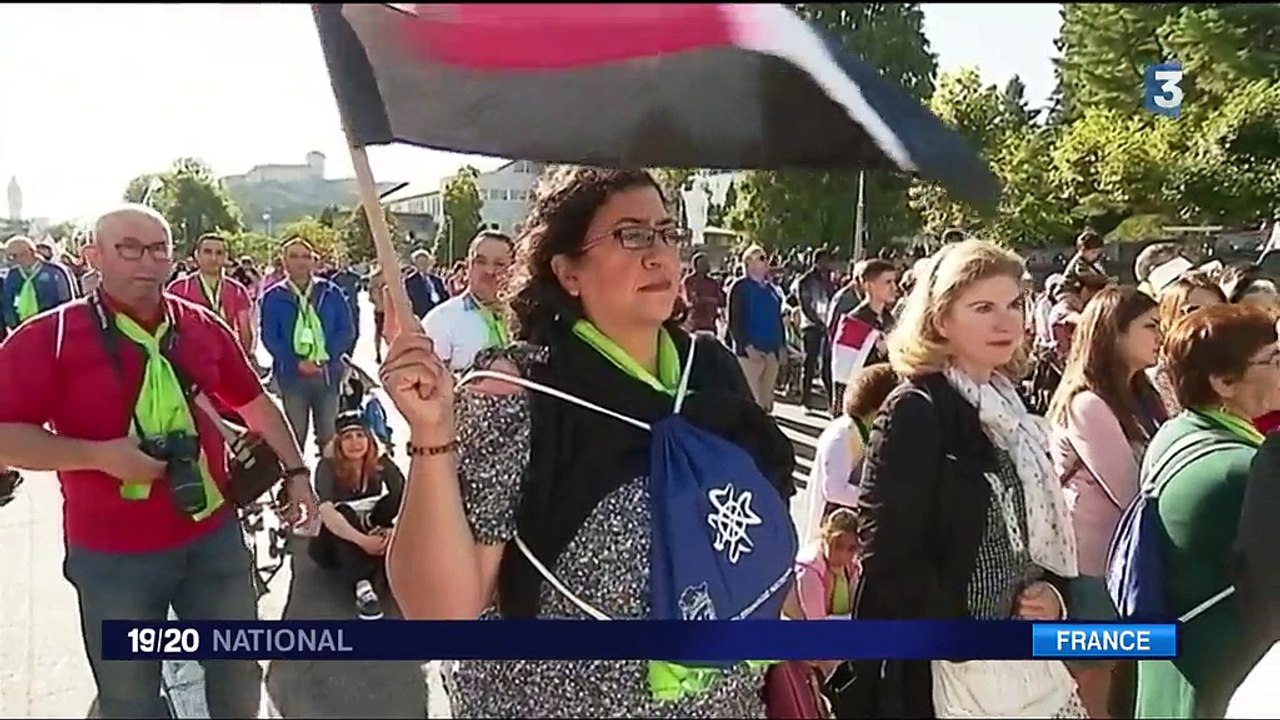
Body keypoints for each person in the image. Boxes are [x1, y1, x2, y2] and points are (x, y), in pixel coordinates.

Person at [381, 166, 795, 718]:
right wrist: (431, 434)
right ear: (568, 271)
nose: (659, 254)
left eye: (667, 233)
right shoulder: (519, 391)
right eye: (631, 235)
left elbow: (753, 547)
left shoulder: (711, 371)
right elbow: (443, 615)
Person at [0, 204, 314, 719]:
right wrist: (97, 456)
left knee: (238, 670)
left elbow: (257, 404)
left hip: (212, 537)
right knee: (129, 695)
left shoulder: (200, 325)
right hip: (112, 555)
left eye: (158, 249)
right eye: (129, 247)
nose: (147, 261)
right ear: (93, 255)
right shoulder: (50, 337)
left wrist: (299, 476)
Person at [852, 240, 1084, 718]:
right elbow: (887, 550)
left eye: (1014, 304)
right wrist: (961, 633)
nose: (1006, 321)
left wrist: (1054, 596)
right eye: (982, 307)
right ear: (941, 320)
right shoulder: (917, 409)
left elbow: (1032, 537)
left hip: (1026, 662)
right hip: (952, 671)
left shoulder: (1013, 409)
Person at [1133, 303, 1280, 719]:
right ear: (1223, 382)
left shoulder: (1179, 430)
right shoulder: (1241, 471)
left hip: (1173, 668)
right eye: (1275, 358)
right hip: (1222, 677)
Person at [1046, 286, 1165, 718]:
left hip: (1124, 566)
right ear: (1114, 334)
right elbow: (1132, 491)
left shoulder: (1144, 398)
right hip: (1093, 570)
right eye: (1150, 326)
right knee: (1093, 681)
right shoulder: (1088, 404)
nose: (1160, 335)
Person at [260, 237, 355, 455]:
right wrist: (295, 363)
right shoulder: (273, 297)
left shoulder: (331, 292)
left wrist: (327, 357)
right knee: (294, 435)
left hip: (327, 375)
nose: (301, 262)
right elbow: (270, 337)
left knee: (329, 435)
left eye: (306, 256)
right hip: (292, 377)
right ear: (283, 261)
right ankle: (295, 483)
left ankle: (329, 483)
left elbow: (346, 329)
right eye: (294, 256)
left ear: (314, 261)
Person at [309, 411, 404, 620]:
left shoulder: (381, 462)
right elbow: (326, 513)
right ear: (338, 443)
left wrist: (393, 530)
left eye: (360, 435)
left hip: (369, 525)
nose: (355, 442)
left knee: (395, 497)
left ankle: (390, 563)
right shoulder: (326, 467)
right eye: (348, 437)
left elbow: (406, 495)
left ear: (369, 438)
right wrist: (363, 541)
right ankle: (363, 588)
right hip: (333, 540)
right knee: (342, 511)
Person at [796, 363, 899, 545]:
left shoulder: (868, 431)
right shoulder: (842, 435)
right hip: (833, 532)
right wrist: (879, 499)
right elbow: (834, 490)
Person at [421, 231, 515, 372]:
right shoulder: (442, 319)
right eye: (480, 262)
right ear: (468, 266)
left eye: (499, 264)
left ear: (513, 269)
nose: (489, 271)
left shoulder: (528, 319)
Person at [165, 233, 255, 355]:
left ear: (226, 257)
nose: (213, 258)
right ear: (197, 255)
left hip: (227, 357)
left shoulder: (237, 290)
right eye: (207, 252)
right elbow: (168, 329)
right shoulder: (178, 288)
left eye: (219, 253)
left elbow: (245, 331)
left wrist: (244, 359)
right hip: (190, 358)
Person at [1149, 275, 1227, 415]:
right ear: (1169, 315)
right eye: (1193, 310)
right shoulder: (1158, 377)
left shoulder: (1236, 367)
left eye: (1217, 311)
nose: (1207, 318)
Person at [727, 244, 787, 412]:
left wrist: (781, 346)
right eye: (757, 258)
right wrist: (746, 346)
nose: (762, 262)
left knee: (766, 401)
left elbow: (777, 319)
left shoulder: (771, 289)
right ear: (747, 263)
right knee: (751, 401)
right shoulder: (740, 287)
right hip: (749, 353)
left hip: (771, 352)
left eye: (762, 258)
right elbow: (734, 320)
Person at [786, 507, 861, 621]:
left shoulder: (853, 565)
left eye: (851, 549)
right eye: (838, 546)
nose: (843, 555)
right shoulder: (809, 569)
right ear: (825, 538)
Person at [792, 249, 837, 412]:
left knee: (827, 364)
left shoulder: (830, 281)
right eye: (825, 261)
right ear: (816, 262)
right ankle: (806, 401)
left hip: (827, 326)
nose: (828, 265)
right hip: (811, 327)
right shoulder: (806, 281)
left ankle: (832, 402)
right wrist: (818, 323)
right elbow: (805, 305)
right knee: (809, 363)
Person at [2, 235, 76, 329]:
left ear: (31, 252)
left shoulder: (55, 272)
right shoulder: (13, 276)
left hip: (51, 328)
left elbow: (67, 303)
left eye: (17, 255)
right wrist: (14, 327)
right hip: (23, 329)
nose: (15, 260)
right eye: (10, 257)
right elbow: (7, 303)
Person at [681, 251, 725, 334]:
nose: (705, 266)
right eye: (702, 263)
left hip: (710, 324)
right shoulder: (689, 281)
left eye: (706, 263)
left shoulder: (713, 282)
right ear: (695, 265)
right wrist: (710, 300)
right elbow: (691, 301)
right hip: (694, 324)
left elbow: (721, 301)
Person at [405, 249, 449, 320]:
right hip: (423, 315)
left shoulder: (437, 280)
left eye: (425, 262)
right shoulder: (410, 281)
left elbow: (444, 296)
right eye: (420, 262)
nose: (423, 265)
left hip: (438, 314)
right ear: (416, 264)